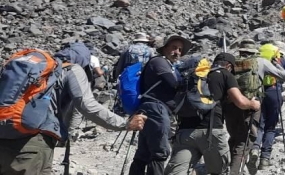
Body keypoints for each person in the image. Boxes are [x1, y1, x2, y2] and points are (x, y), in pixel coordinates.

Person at [0, 43, 146, 175]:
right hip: (33, 140)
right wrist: (124, 124)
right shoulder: (73, 69)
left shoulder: (36, 70)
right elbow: (88, 106)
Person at [164, 52, 261, 175]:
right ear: (229, 66)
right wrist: (253, 104)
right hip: (211, 132)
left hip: (185, 132)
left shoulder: (194, 75)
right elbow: (241, 102)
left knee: (176, 172)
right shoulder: (225, 74)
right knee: (219, 171)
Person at [129, 35, 191, 175]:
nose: (177, 52)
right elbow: (174, 84)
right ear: (164, 49)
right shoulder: (159, 62)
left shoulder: (167, 64)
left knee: (143, 153)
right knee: (159, 152)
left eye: (180, 50)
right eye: (174, 48)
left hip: (150, 109)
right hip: (157, 109)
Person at [228, 41, 285, 175]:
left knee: (234, 136)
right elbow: (283, 76)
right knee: (246, 139)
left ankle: (234, 164)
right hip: (252, 105)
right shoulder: (260, 61)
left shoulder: (231, 62)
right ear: (254, 51)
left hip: (232, 104)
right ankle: (236, 169)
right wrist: (275, 62)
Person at [251, 43, 285, 170]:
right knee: (271, 127)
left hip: (259, 93)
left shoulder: (258, 60)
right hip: (275, 92)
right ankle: (265, 159)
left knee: (260, 124)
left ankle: (255, 149)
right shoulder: (281, 60)